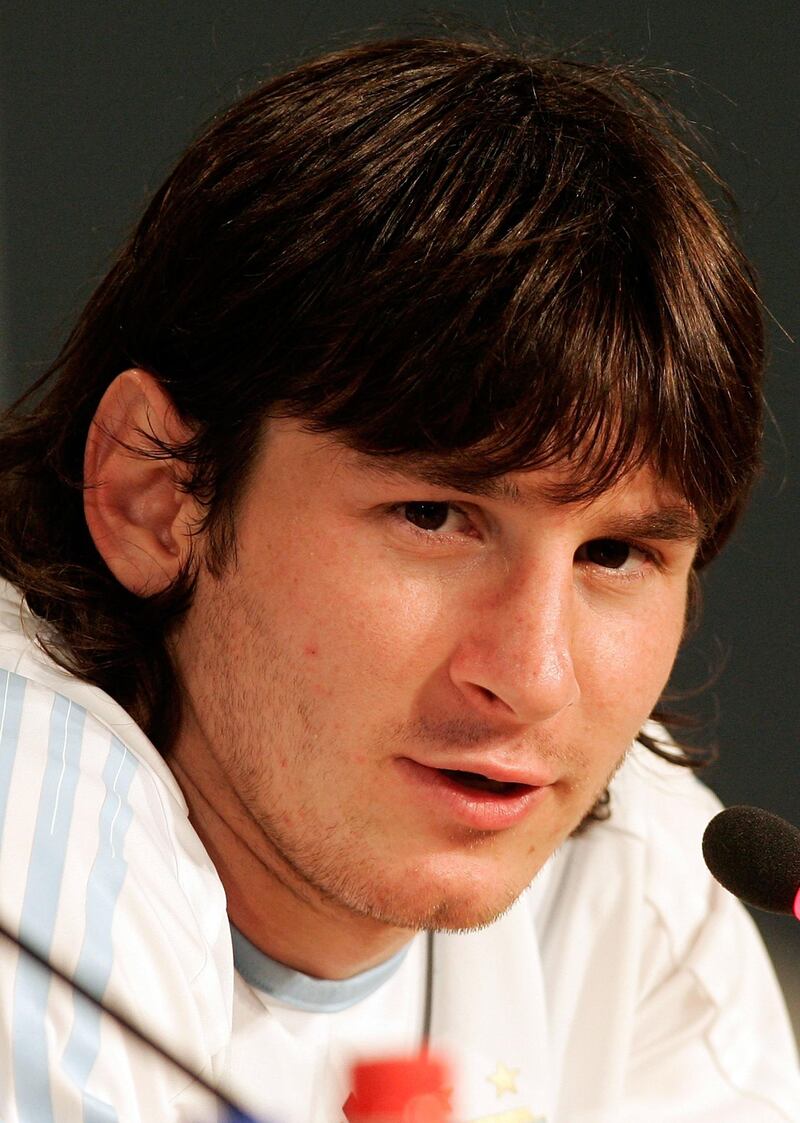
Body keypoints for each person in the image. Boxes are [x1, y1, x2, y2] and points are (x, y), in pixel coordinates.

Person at [0, 33, 796, 1123]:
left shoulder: (637, 886)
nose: (531, 678)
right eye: (432, 517)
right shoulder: (25, 804)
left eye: (613, 555)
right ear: (156, 493)